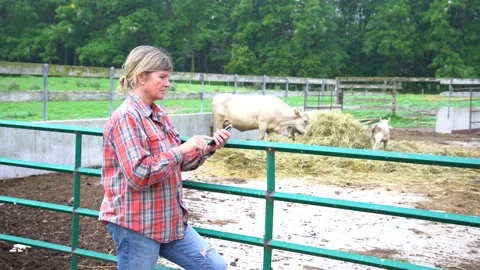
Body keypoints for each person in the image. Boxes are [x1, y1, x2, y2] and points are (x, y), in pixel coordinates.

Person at [99, 45, 230, 270]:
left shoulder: (157, 114)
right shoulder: (127, 118)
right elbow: (139, 174)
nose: (167, 83)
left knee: (215, 266)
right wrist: (180, 150)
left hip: (168, 221)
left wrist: (207, 149)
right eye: (162, 77)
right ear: (141, 77)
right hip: (137, 223)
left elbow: (177, 162)